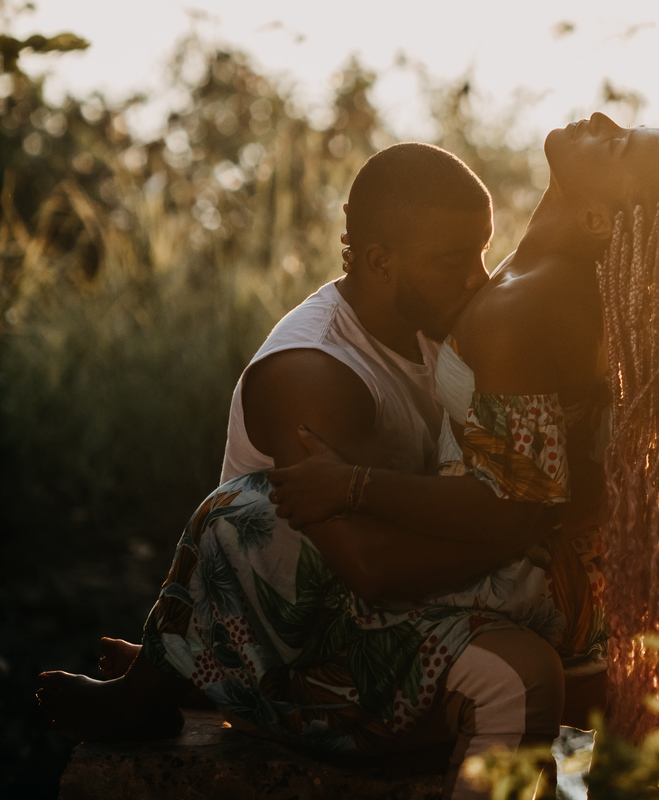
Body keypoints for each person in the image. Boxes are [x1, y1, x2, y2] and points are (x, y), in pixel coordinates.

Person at [38, 142, 568, 799]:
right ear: (378, 260)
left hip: (423, 594)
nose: (479, 278)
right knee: (522, 676)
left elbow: (542, 263)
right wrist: (526, 521)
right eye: (454, 261)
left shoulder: (438, 319)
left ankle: (190, 670)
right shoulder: (314, 373)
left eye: (483, 250)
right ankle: (217, 677)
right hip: (326, 636)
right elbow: (372, 569)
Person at [271, 111, 659, 741]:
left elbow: (516, 508)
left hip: (522, 576)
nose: (603, 118)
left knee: (245, 529)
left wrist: (355, 485)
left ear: (595, 220)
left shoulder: (518, 312)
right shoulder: (558, 292)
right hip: (571, 567)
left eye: (616, 146)